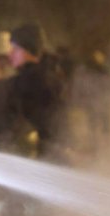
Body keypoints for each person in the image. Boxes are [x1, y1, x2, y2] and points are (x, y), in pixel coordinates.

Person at [6, 23, 71, 160]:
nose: (10, 54)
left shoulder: (32, 80)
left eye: (16, 49)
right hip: (55, 152)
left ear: (30, 50)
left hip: (43, 156)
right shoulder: (50, 72)